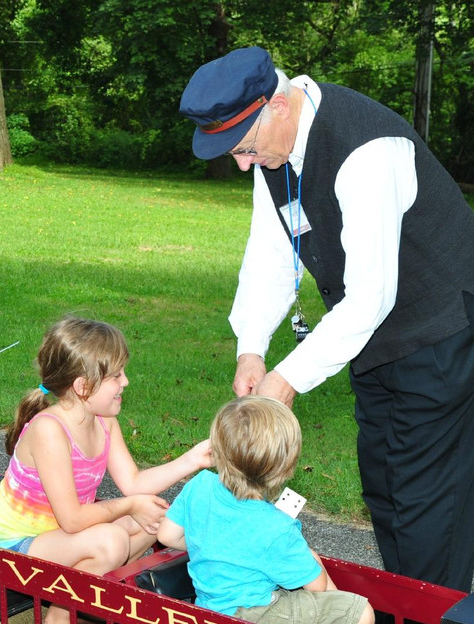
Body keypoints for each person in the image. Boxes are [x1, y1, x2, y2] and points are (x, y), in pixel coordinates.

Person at [179, 46, 474, 593]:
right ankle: (409, 613)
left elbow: (370, 297)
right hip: (371, 341)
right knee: (385, 485)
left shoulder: (365, 150)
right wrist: (251, 346)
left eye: (243, 148)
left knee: (427, 501)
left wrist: (286, 379)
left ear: (279, 107)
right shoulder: (274, 151)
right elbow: (272, 253)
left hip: (438, 331)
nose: (241, 164)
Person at [0, 316, 212, 624]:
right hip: (15, 545)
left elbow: (134, 484)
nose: (126, 382)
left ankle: (87, 598)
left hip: (60, 537)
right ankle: (56, 621)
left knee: (154, 519)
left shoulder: (104, 420)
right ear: (82, 386)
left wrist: (192, 459)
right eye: (117, 376)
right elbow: (74, 520)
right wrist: (128, 505)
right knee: (113, 540)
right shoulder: (49, 429)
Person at [158, 396, 425, 624]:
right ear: (285, 467)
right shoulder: (276, 527)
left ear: (216, 449)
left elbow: (167, 536)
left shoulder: (201, 485)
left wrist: (218, 546)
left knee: (306, 601)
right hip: (255, 618)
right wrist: (312, 559)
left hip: (211, 609)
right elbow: (317, 586)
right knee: (357, 611)